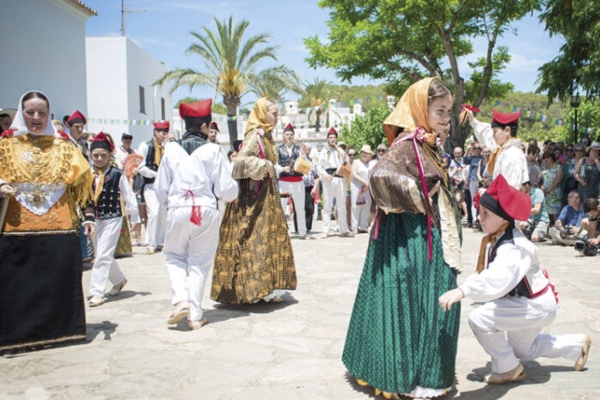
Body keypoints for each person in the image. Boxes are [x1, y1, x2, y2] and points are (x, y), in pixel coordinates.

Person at [343, 77, 462, 399]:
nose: (444, 117)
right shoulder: (408, 144)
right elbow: (379, 177)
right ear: (421, 109)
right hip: (408, 243)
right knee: (416, 303)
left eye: (448, 112)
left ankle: (425, 372)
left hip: (426, 237)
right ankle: (410, 375)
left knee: (430, 302)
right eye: (439, 110)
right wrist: (420, 196)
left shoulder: (427, 144)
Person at [439, 174, 592, 384]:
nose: (479, 217)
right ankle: (576, 346)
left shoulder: (513, 247)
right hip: (532, 302)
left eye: (485, 213)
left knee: (479, 318)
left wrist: (463, 290)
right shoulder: (501, 236)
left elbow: (498, 277)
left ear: (502, 218)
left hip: (534, 304)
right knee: (524, 350)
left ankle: (507, 369)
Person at [0, 91, 94, 352]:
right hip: (18, 225)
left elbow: (82, 178)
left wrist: (87, 215)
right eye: (30, 112)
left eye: (42, 112)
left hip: (59, 224)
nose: (36, 117)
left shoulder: (63, 147)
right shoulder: (6, 145)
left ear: (49, 114)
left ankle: (61, 332)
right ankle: (18, 335)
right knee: (19, 284)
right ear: (21, 112)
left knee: (57, 282)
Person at [155, 99, 238, 329]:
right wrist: (233, 193)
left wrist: (170, 205)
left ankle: (182, 299)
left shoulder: (170, 149)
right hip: (206, 210)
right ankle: (195, 314)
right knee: (199, 262)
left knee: (174, 256)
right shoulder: (213, 150)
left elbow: (161, 188)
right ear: (204, 127)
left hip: (179, 207)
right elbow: (225, 188)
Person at [211, 97, 297, 304]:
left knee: (267, 241)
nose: (277, 117)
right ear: (262, 113)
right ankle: (250, 290)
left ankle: (267, 287)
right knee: (252, 241)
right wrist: (264, 165)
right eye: (274, 113)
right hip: (252, 199)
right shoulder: (254, 136)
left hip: (265, 196)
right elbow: (239, 163)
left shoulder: (266, 136)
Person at [88, 133, 140, 307]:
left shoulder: (117, 174)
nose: (100, 158)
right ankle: (118, 280)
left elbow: (128, 195)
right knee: (101, 253)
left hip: (113, 217)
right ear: (90, 156)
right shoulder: (87, 174)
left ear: (109, 156)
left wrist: (135, 217)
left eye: (103, 155)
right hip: (94, 219)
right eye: (96, 155)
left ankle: (96, 291)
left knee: (103, 254)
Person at [465, 108, 529, 189]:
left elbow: (510, 189)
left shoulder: (512, 155)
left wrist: (489, 195)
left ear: (507, 131)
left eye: (495, 131)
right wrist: (473, 121)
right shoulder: (504, 149)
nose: (493, 135)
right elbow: (487, 136)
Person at [137, 121, 169, 254]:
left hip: (163, 185)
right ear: (156, 132)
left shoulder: (165, 148)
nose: (164, 136)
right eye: (163, 133)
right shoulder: (145, 146)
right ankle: (151, 242)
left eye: (166, 133)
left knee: (163, 213)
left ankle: (160, 241)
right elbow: (140, 167)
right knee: (154, 212)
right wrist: (157, 174)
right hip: (150, 184)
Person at [317, 127, 353, 238]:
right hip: (329, 179)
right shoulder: (324, 151)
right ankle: (326, 230)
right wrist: (325, 175)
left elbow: (348, 166)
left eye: (334, 137)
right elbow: (319, 166)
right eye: (330, 137)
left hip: (340, 179)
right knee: (328, 205)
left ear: (336, 139)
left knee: (341, 205)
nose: (332, 139)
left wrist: (346, 160)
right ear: (327, 139)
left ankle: (343, 229)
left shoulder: (341, 151)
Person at [276, 123, 307, 239]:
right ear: (283, 136)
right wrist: (282, 168)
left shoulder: (298, 149)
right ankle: (282, 232)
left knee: (300, 208)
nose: (289, 136)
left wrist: (304, 155)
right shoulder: (278, 149)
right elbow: (274, 164)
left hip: (298, 181)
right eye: (287, 134)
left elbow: (304, 163)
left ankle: (302, 232)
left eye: (291, 134)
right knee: (282, 208)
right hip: (284, 181)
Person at [293, 142, 319, 234]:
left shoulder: (313, 162)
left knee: (309, 208)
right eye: (305, 149)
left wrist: (314, 188)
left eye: (308, 149)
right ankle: (298, 228)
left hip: (309, 187)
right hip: (299, 185)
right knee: (298, 207)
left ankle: (307, 227)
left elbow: (316, 176)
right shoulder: (297, 160)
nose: (307, 151)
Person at [350, 144, 372, 233]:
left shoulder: (370, 164)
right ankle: (354, 227)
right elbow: (354, 174)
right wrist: (364, 182)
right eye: (363, 152)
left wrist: (367, 184)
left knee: (366, 206)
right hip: (357, 186)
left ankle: (364, 226)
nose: (365, 154)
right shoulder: (356, 162)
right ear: (361, 153)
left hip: (367, 187)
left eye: (367, 153)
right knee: (356, 207)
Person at [541, 151, 563, 225]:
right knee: (546, 213)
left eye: (548, 157)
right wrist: (542, 188)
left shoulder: (558, 167)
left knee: (555, 213)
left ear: (552, 158)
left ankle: (557, 229)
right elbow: (541, 179)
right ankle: (547, 230)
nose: (546, 159)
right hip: (545, 193)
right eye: (544, 157)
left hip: (555, 192)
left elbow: (559, 180)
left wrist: (550, 189)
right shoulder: (543, 167)